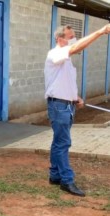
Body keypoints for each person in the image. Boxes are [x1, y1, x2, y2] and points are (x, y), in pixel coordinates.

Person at [44, 24, 110, 197]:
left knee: (58, 142)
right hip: (59, 106)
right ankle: (67, 180)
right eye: (70, 36)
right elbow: (76, 47)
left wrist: (76, 97)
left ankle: (55, 175)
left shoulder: (66, 60)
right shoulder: (55, 53)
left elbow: (63, 83)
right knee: (63, 143)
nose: (74, 39)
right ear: (60, 39)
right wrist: (100, 31)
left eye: (74, 36)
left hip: (66, 105)